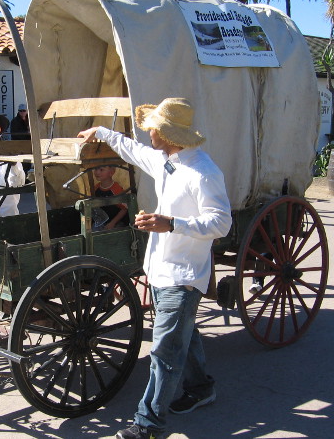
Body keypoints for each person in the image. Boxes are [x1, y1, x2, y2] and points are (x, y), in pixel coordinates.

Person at [78, 97, 232, 439]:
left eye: (154, 129)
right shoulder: (168, 161)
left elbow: (221, 223)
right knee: (182, 336)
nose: (149, 133)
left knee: (164, 350)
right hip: (161, 269)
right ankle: (202, 389)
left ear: (169, 134)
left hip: (184, 275)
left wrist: (171, 223)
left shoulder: (204, 171)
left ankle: (149, 425)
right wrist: (101, 132)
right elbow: (131, 149)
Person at [92, 165, 129, 230]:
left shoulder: (116, 189)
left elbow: (124, 209)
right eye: (95, 169)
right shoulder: (96, 188)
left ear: (111, 172)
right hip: (103, 221)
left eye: (101, 170)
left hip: (118, 222)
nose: (97, 172)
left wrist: (112, 223)